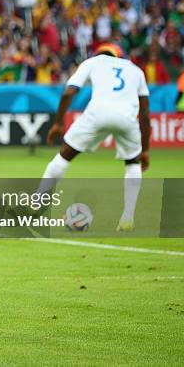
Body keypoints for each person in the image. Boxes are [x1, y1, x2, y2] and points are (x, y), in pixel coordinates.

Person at [41, 42, 150, 232]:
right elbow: (145, 115)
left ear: (99, 53)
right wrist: (146, 150)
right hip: (127, 117)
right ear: (119, 55)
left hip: (97, 113)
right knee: (133, 163)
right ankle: (127, 218)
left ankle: (37, 203)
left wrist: (58, 122)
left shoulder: (93, 61)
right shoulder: (136, 70)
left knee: (65, 155)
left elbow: (68, 93)